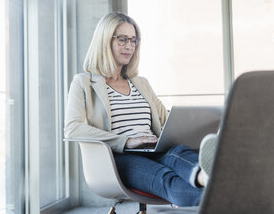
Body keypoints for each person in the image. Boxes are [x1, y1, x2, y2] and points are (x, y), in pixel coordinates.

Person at [64, 12, 217, 207]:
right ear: (104, 40)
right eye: (122, 39)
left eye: (134, 40)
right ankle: (223, 198)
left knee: (178, 153)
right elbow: (73, 128)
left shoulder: (141, 83)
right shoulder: (84, 82)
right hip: (118, 158)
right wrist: (127, 141)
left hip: (154, 150)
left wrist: (195, 122)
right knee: (165, 178)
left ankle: (208, 177)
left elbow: (165, 121)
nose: (129, 46)